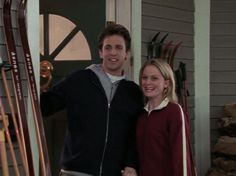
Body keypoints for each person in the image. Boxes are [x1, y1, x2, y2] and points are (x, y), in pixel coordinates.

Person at [40, 24, 144, 176]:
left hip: (113, 172)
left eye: (119, 48)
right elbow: (45, 106)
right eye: (108, 47)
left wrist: (130, 164)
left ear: (127, 53)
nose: (113, 52)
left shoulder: (133, 92)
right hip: (74, 172)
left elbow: (133, 136)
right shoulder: (79, 80)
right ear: (100, 52)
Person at [136, 59, 193, 176]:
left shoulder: (174, 112)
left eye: (154, 78)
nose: (147, 82)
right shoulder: (141, 115)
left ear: (166, 83)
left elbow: (182, 158)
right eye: (144, 77)